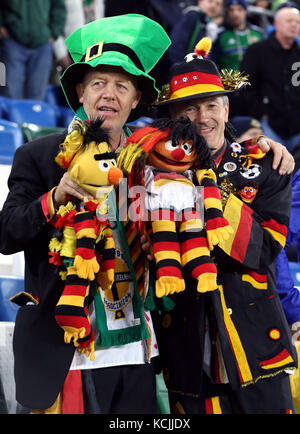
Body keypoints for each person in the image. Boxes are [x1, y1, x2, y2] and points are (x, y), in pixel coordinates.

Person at [0, 14, 171, 414]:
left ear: (135, 100)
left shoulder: (155, 163)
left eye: (121, 85)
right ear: (80, 91)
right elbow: (6, 233)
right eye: (98, 83)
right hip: (66, 355)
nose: (108, 94)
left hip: (138, 352)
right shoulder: (39, 156)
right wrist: (54, 197)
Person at [151, 38, 298, 414]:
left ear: (227, 108)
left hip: (256, 350)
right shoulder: (154, 175)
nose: (202, 118)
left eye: (211, 106)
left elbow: (266, 247)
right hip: (186, 351)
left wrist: (203, 184)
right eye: (189, 109)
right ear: (173, 117)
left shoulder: (267, 166)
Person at [239, 4, 300, 152]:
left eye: (297, 22)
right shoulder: (256, 51)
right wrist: (261, 113)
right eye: (289, 20)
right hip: (268, 125)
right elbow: (245, 86)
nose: (294, 25)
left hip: (297, 126)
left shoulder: (298, 53)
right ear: (276, 24)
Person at [0, 0, 66, 100]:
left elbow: (59, 6)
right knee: (9, 94)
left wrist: (54, 33)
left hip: (42, 44)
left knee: (37, 97)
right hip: (12, 42)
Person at [211, 0, 264, 72]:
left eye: (240, 9)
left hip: (254, 82)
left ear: (246, 11)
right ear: (227, 13)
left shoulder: (257, 33)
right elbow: (213, 63)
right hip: (229, 82)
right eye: (231, 10)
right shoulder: (221, 35)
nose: (235, 13)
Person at [168, 0, 224, 65]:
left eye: (218, 4)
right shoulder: (192, 16)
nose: (213, 6)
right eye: (210, 1)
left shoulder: (210, 25)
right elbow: (176, 44)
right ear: (200, 2)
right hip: (186, 70)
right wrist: (182, 67)